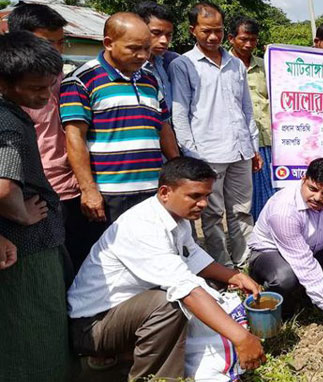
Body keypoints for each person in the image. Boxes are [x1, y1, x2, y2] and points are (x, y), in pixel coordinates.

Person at [67, 157, 267, 381]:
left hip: (124, 312)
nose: (203, 204)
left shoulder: (176, 218)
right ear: (164, 192)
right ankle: (152, 377)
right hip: (92, 326)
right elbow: (186, 289)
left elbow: (195, 259)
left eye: (206, 196)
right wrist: (241, 338)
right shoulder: (143, 227)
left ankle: (132, 359)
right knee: (170, 304)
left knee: (207, 287)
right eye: (194, 196)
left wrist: (236, 276)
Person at [7, 3, 103, 274]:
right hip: (35, 193)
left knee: (81, 260)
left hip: (71, 186)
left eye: (61, 42)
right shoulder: (11, 92)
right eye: (48, 43)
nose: (57, 50)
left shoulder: (62, 78)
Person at [60, 13, 180, 227]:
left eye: (146, 47)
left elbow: (163, 126)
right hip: (110, 194)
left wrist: (177, 169)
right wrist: (88, 190)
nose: (143, 55)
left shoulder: (149, 79)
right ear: (108, 43)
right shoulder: (81, 80)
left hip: (153, 189)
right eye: (134, 48)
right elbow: (74, 137)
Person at [0, 31, 70, 382]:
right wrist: (22, 212)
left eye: (49, 87)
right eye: (36, 89)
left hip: (25, 245)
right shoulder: (8, 123)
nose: (45, 96)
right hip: (26, 249)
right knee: (36, 332)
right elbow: (2, 188)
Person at [171, 2, 261, 268]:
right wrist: (192, 157)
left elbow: (246, 108)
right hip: (207, 153)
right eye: (206, 31)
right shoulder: (183, 64)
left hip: (241, 150)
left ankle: (246, 263)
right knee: (211, 215)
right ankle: (223, 268)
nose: (213, 37)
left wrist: (253, 146)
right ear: (192, 30)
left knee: (242, 211)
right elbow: (180, 114)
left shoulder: (235, 64)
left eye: (218, 31)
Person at [247, 158, 323, 341]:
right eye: (313, 189)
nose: (318, 198)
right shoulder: (284, 211)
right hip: (270, 254)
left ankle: (315, 296)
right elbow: (305, 265)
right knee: (284, 278)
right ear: (303, 179)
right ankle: (287, 311)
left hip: (317, 248)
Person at [228, 16, 275, 222]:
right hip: (241, 142)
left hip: (269, 138)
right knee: (248, 196)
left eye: (253, 40)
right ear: (231, 38)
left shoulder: (266, 65)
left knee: (274, 190)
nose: (248, 44)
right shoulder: (225, 66)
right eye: (244, 39)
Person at [135, 1, 180, 115]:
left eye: (169, 35)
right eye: (156, 33)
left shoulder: (170, 62)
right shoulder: (128, 68)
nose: (164, 41)